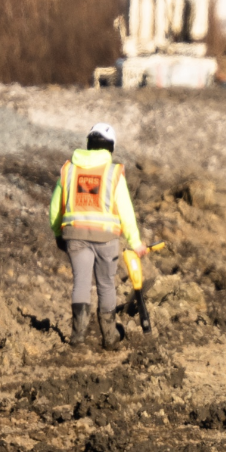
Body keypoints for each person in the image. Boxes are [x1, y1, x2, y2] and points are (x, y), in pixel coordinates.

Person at [48, 123, 147, 351]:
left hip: (75, 234)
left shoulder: (69, 169)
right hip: (106, 239)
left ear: (88, 144)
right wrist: (135, 242)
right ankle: (109, 338)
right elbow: (125, 210)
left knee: (81, 283)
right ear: (110, 148)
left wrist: (57, 233)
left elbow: (55, 208)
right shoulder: (113, 172)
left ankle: (78, 337)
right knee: (106, 285)